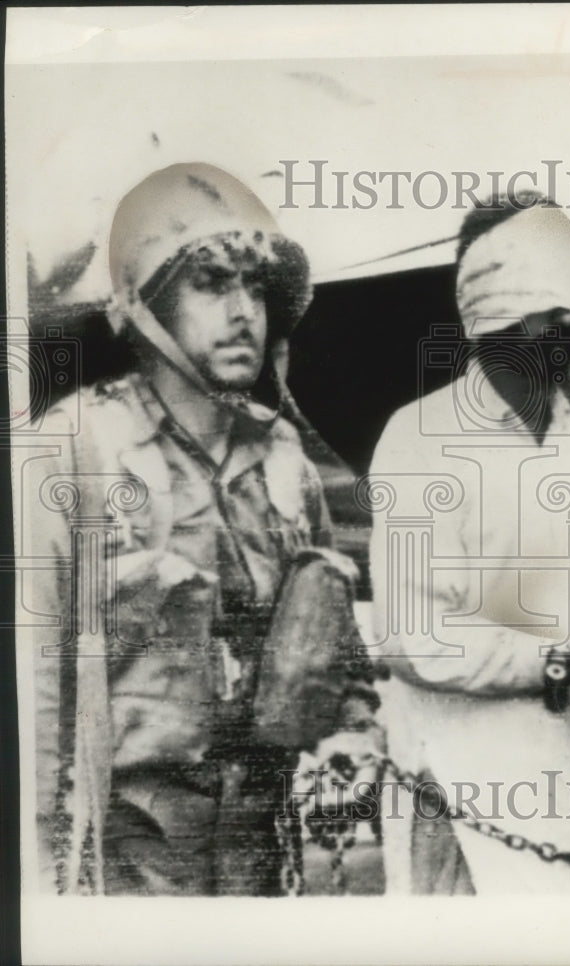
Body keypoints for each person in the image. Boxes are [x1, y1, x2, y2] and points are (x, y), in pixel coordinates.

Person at [28, 163, 381, 896]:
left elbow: (338, 653)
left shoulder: (286, 458)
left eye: (255, 287)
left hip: (262, 846)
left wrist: (351, 734)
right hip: (125, 856)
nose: (244, 309)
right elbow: (31, 683)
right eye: (212, 283)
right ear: (148, 305)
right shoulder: (73, 450)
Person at [367, 193, 570, 895]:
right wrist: (559, 660)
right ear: (486, 319)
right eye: (541, 319)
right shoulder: (420, 439)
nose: (565, 335)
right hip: (474, 796)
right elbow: (414, 637)